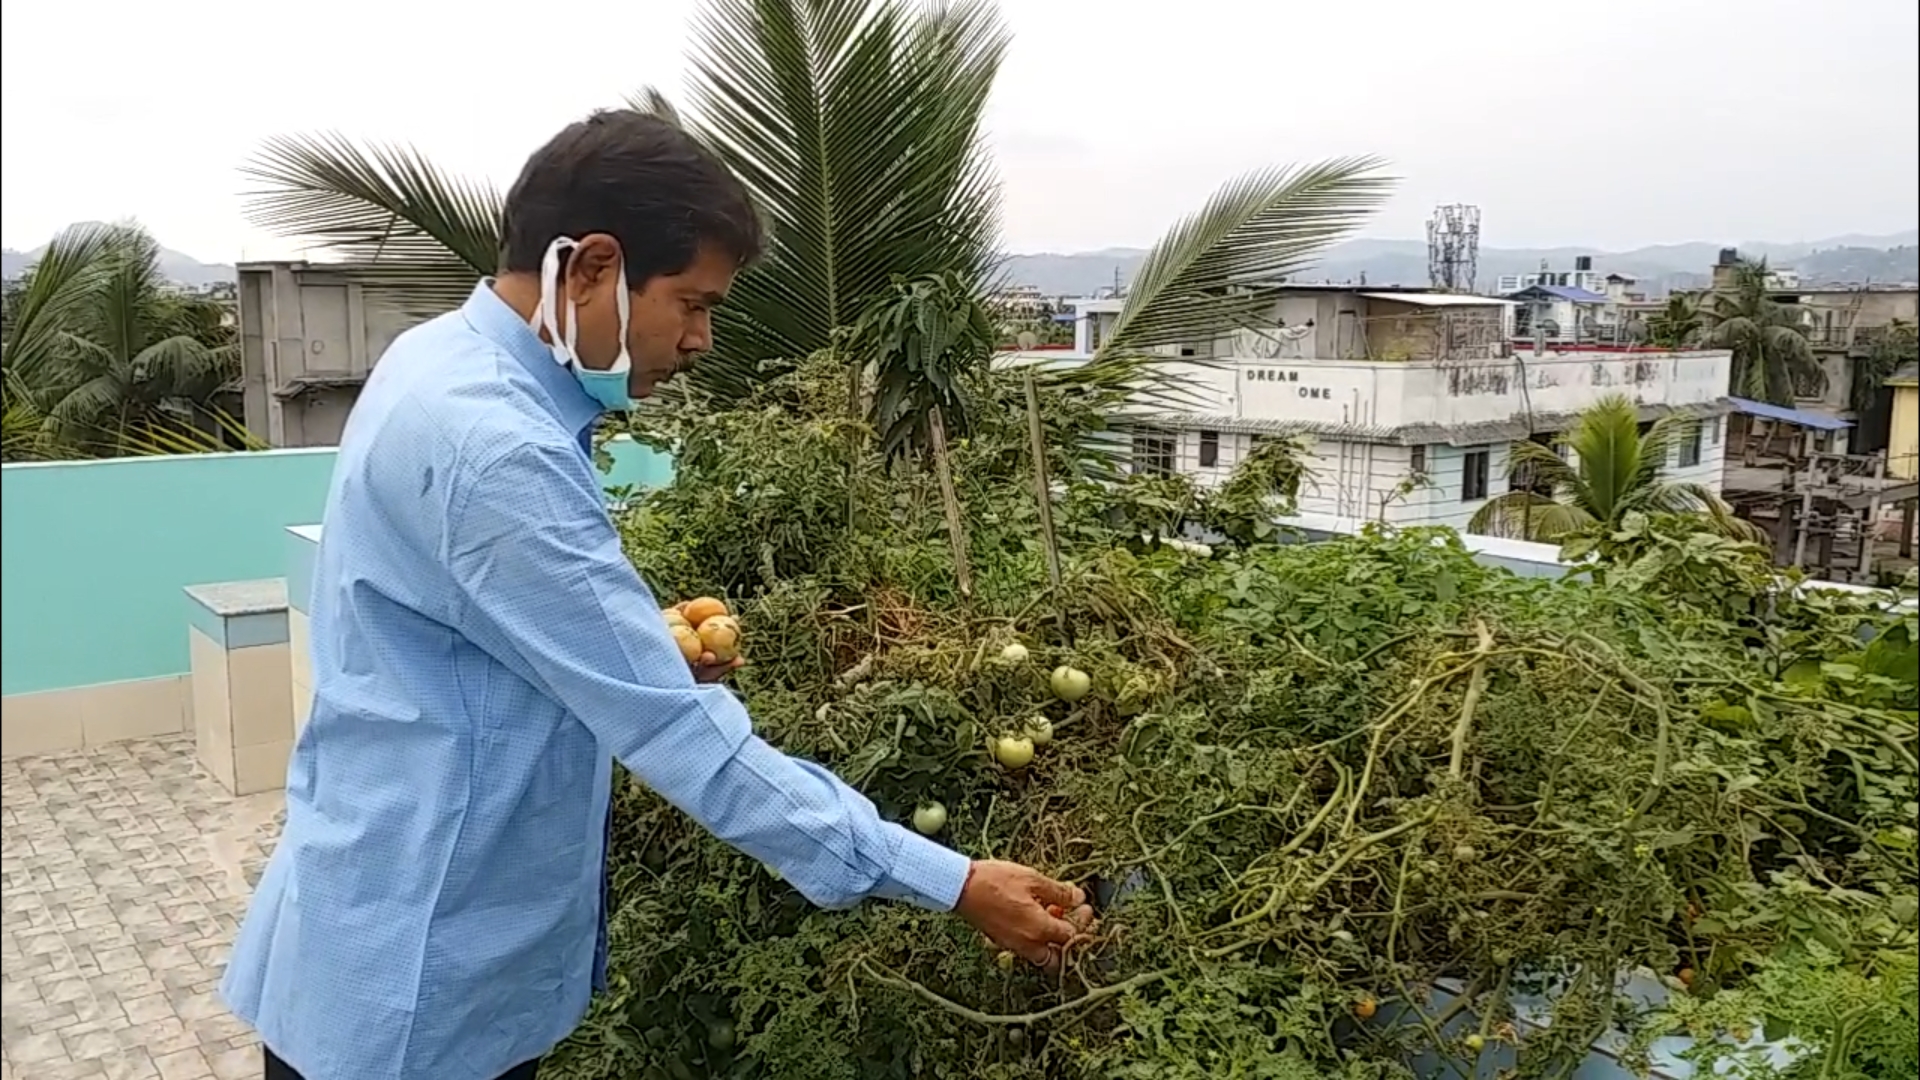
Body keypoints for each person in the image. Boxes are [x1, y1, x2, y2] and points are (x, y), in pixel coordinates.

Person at [220, 110, 1092, 1080]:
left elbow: (461, 636)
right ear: (592, 268)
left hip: (375, 926)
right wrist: (955, 881)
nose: (701, 338)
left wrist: (630, 647)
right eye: (692, 302)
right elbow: (688, 744)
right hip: (421, 995)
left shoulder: (439, 364)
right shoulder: (497, 450)